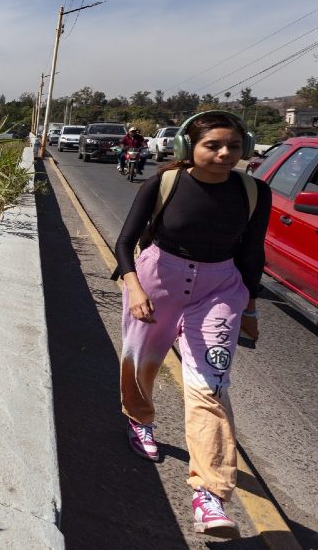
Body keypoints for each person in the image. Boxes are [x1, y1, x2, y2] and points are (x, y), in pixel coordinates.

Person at [113, 111, 270, 537]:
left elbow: (253, 254)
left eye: (233, 147)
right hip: (157, 278)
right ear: (188, 148)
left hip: (219, 288)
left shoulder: (255, 192)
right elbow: (125, 241)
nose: (224, 154)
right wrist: (136, 288)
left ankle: (211, 495)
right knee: (141, 358)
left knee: (210, 382)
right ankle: (140, 419)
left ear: (246, 149)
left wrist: (249, 305)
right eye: (213, 145)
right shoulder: (163, 183)